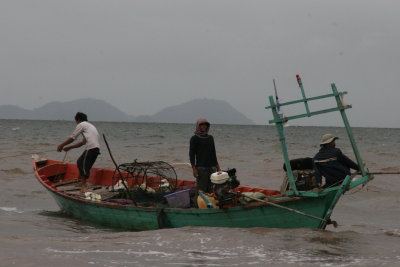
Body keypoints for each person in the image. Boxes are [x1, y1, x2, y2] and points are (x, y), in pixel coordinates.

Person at [57, 112, 100, 193]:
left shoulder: (81, 125)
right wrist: (69, 147)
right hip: (96, 149)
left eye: (76, 121)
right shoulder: (90, 126)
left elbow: (72, 138)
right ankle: (83, 183)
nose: (76, 123)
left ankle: (84, 186)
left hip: (91, 148)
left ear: (78, 120)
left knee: (80, 163)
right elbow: (82, 143)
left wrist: (61, 145)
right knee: (83, 164)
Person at [189, 118, 221, 193]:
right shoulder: (194, 138)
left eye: (205, 125)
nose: (204, 127)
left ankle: (208, 204)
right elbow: (191, 155)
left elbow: (213, 153)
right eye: (201, 125)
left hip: (212, 168)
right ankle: (198, 204)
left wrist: (218, 167)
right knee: (201, 190)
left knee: (211, 189)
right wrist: (194, 168)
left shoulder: (210, 138)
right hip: (201, 168)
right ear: (198, 126)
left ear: (207, 126)